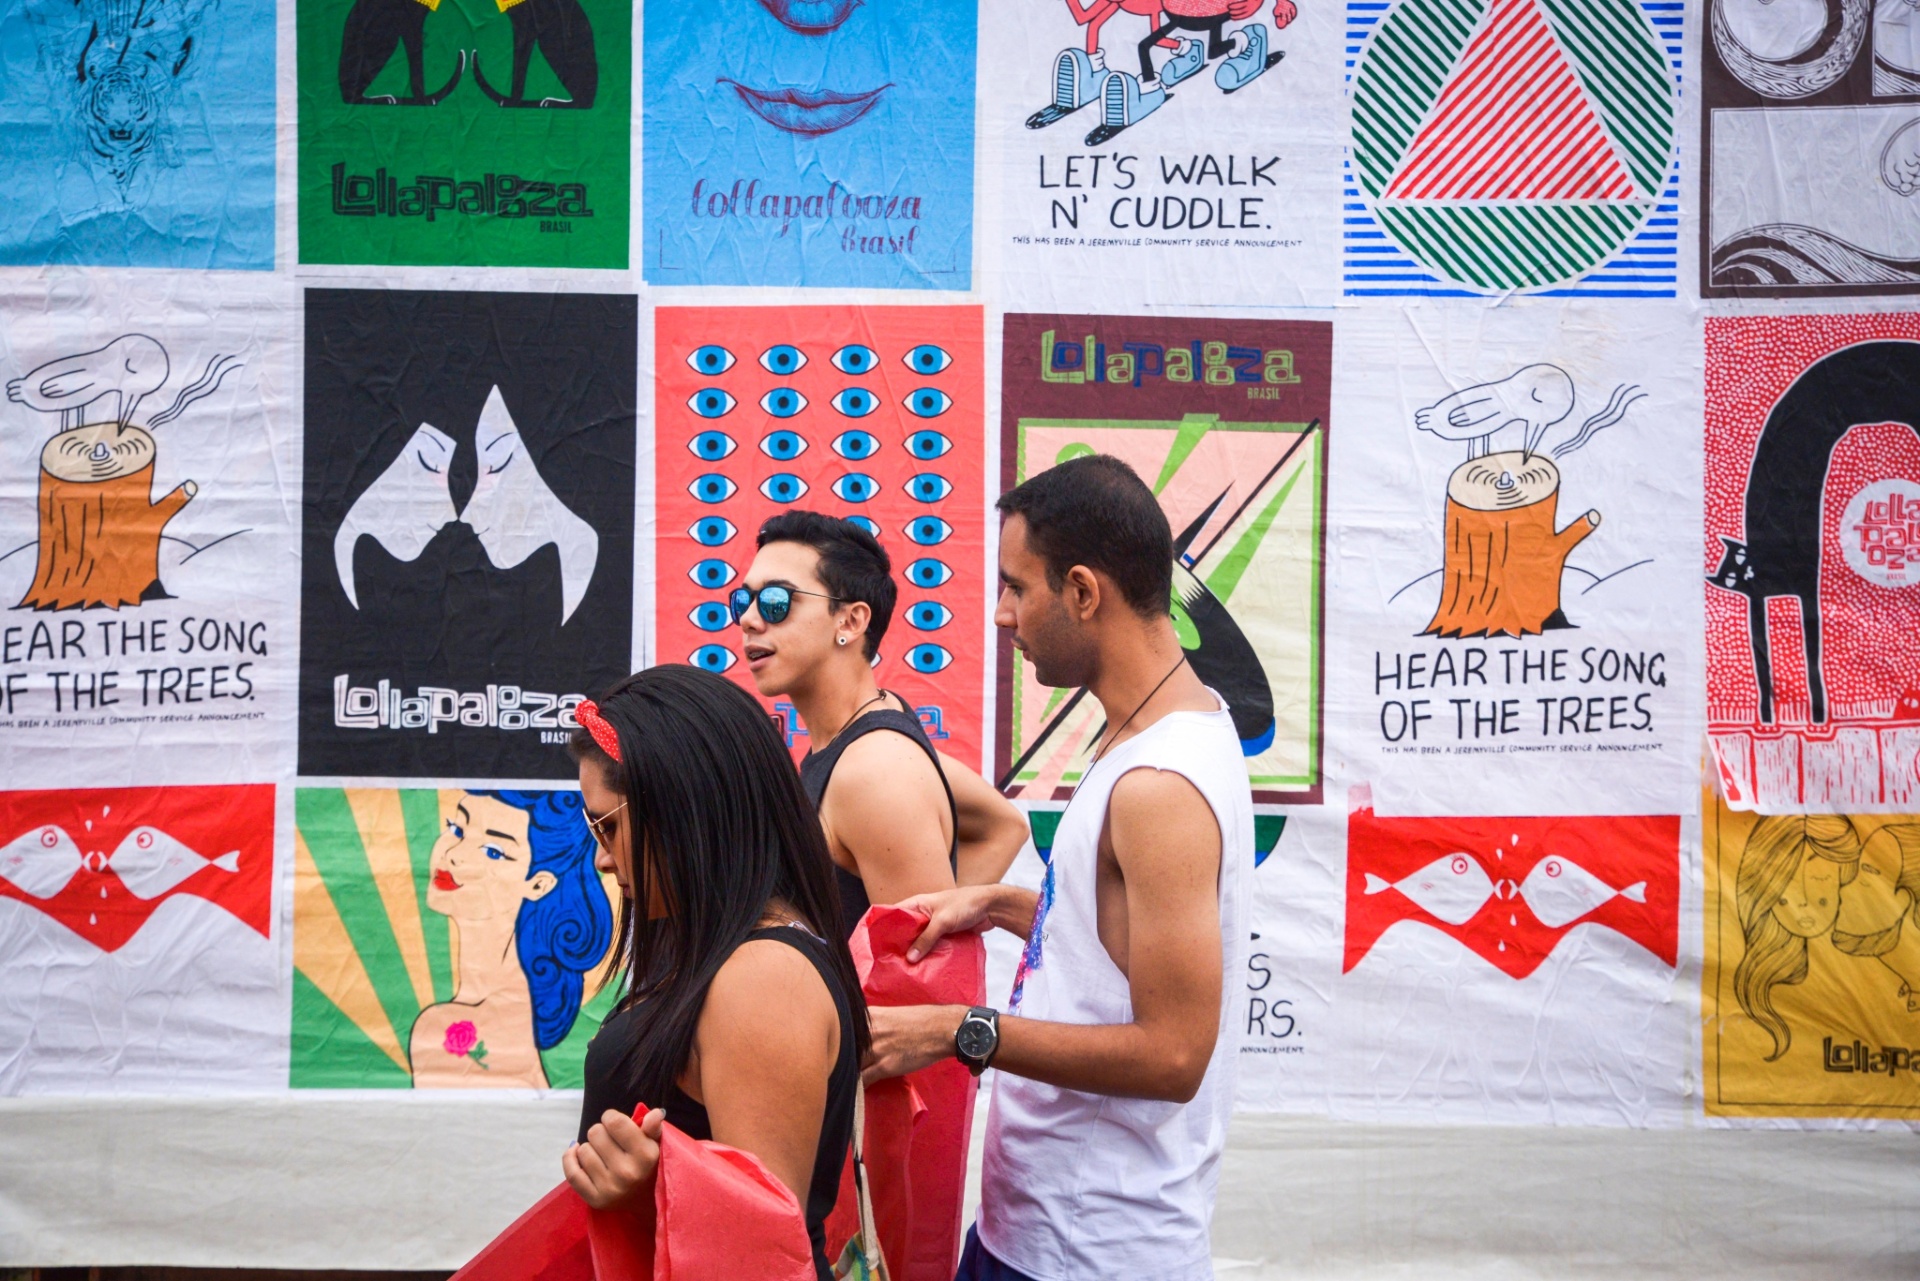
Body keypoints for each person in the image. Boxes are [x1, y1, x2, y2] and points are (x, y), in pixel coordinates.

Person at [864, 454, 1255, 1281]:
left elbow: (1176, 1055)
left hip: (1090, 1253)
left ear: (1083, 591)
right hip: (1033, 1230)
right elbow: (1115, 932)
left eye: (1016, 587)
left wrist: (956, 1030)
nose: (1003, 615)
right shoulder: (1161, 725)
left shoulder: (1160, 785)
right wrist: (1004, 903)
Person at [560, 665, 869, 1281]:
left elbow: (756, 1257)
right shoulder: (723, 946)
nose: (600, 854)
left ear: (682, 810)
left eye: (609, 825)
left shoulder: (762, 977)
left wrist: (642, 1200)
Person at [735, 510, 1028, 932]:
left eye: (777, 601)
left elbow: (916, 980)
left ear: (851, 621)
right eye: (744, 601)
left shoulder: (876, 771)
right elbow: (1003, 824)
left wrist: (932, 928)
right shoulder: (872, 740)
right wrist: (946, 913)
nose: (749, 619)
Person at [411, 789, 612, 1088]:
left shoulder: (445, 1027)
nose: (453, 855)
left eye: (492, 851)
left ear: (538, 884)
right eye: (457, 829)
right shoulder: (499, 1012)